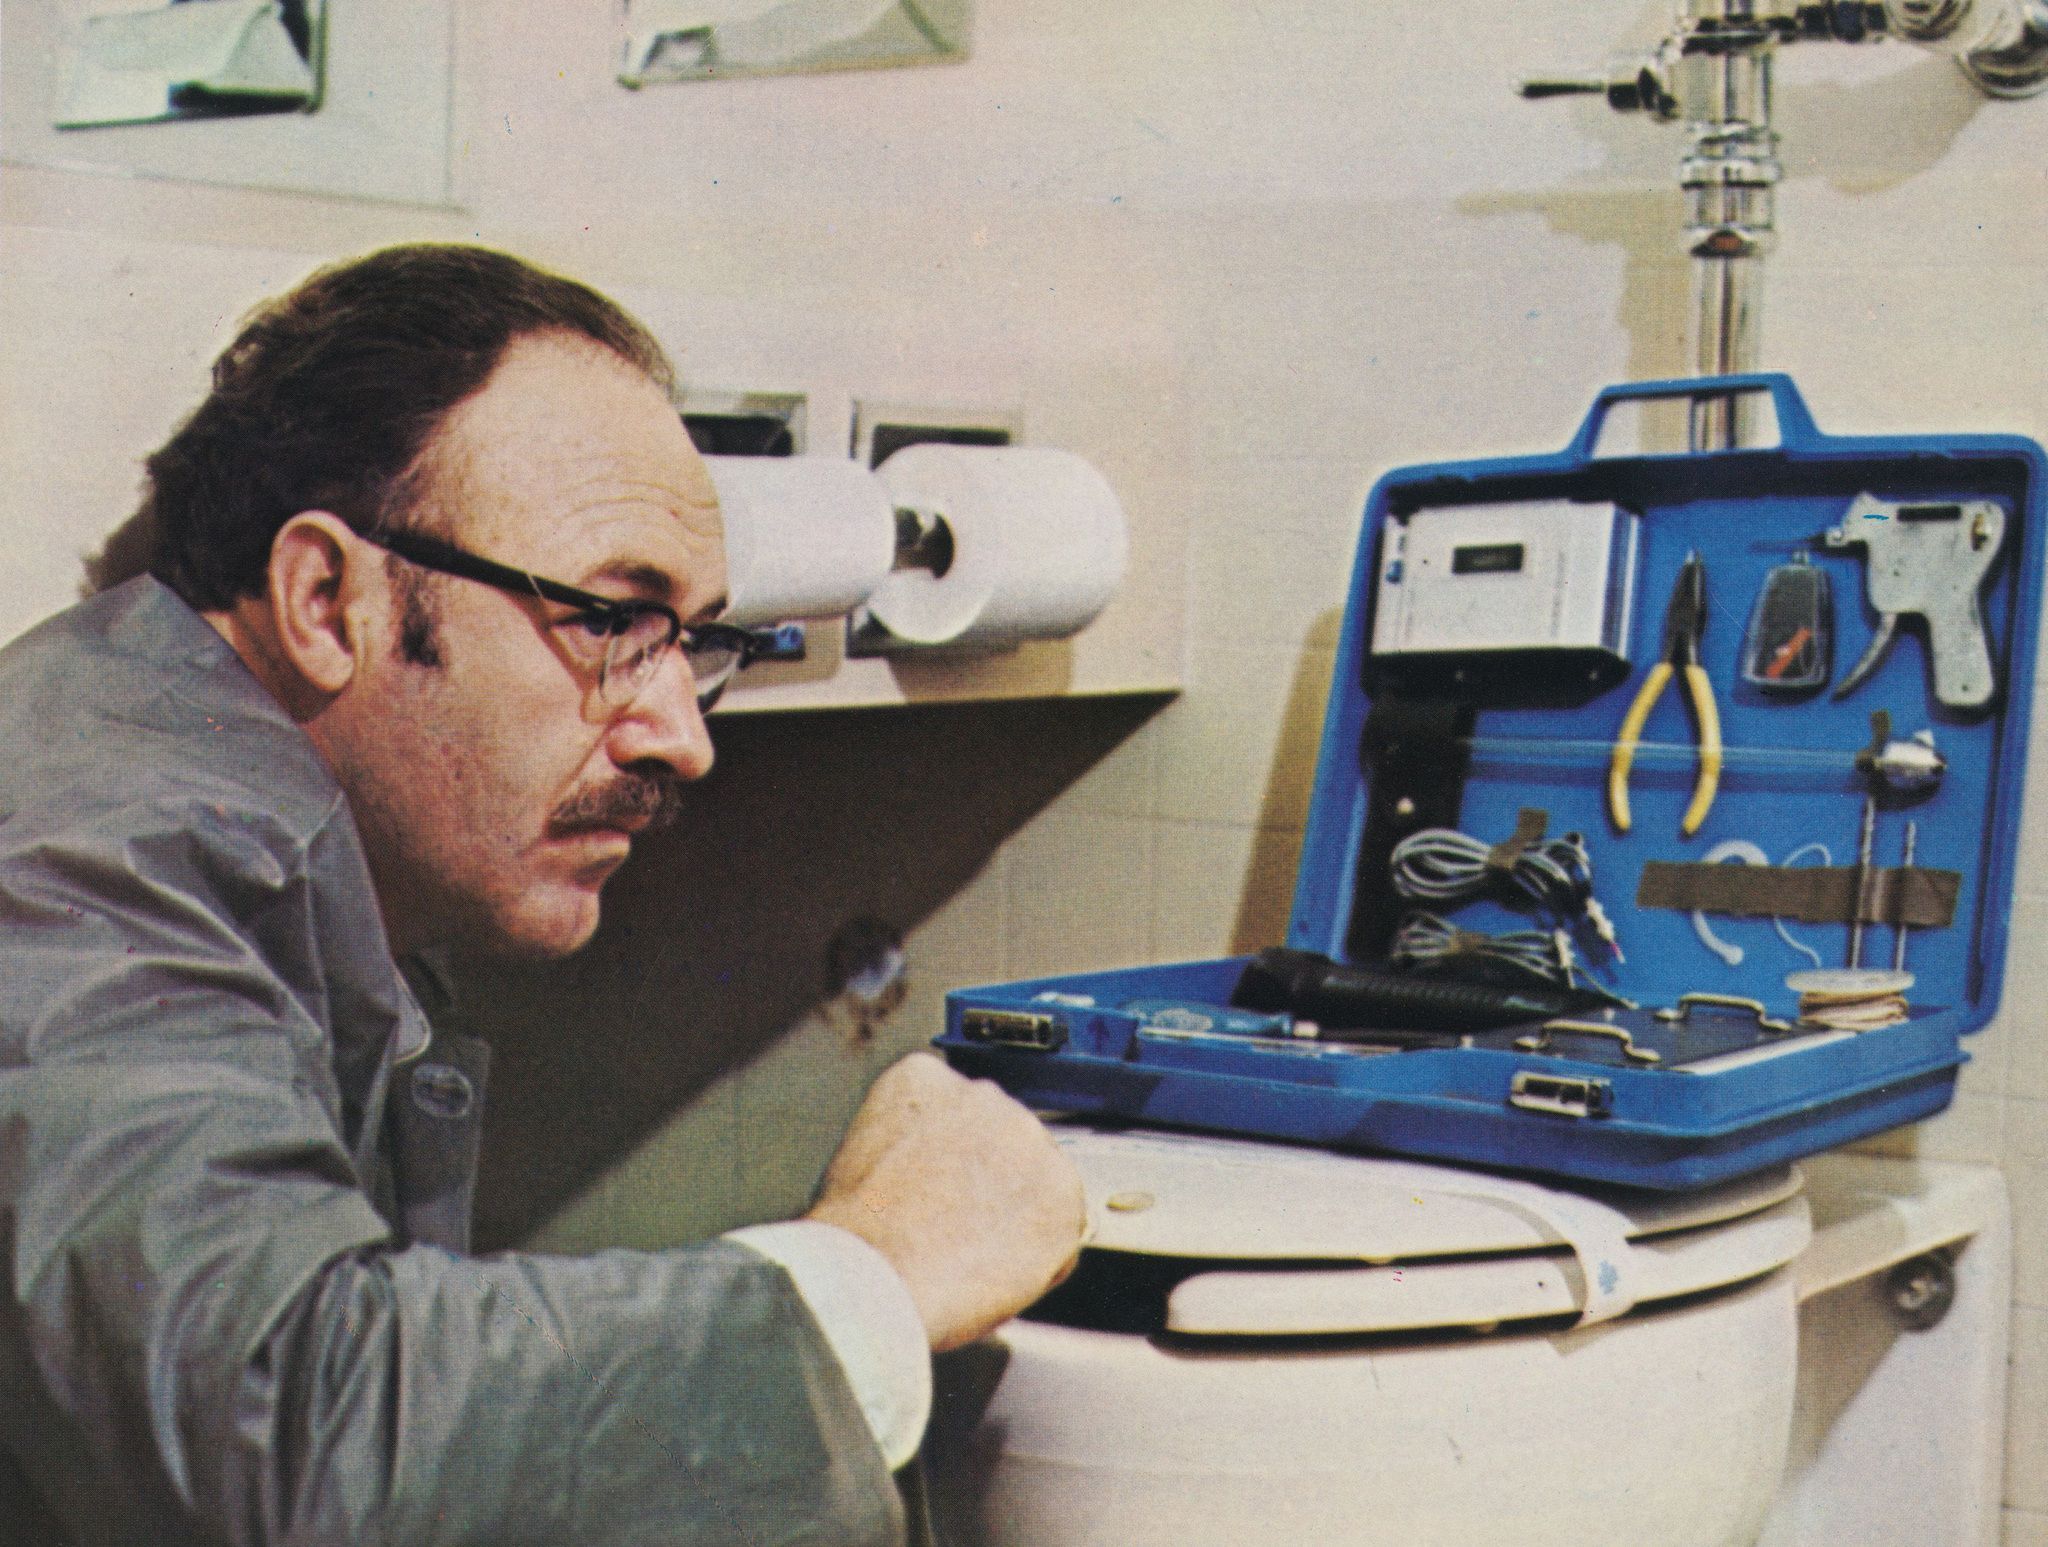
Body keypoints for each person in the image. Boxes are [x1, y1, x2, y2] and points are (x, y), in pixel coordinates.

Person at [0, 243, 1086, 1544]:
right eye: (610, 621)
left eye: (696, 643)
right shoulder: (76, 867)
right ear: (327, 601)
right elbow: (289, 1430)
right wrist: (874, 1275)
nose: (684, 738)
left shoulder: (224, 813)